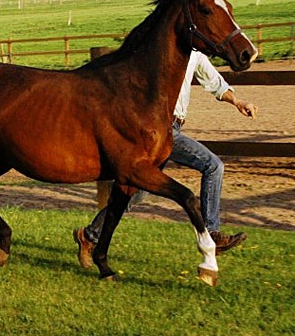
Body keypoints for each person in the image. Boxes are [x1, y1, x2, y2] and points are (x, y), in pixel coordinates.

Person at [73, 50, 258, 268]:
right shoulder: (162, 49)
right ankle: (213, 234)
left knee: (134, 193)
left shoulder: (195, 54)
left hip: (173, 127)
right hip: (159, 129)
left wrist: (237, 101)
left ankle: (89, 235)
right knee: (213, 165)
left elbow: (214, 82)